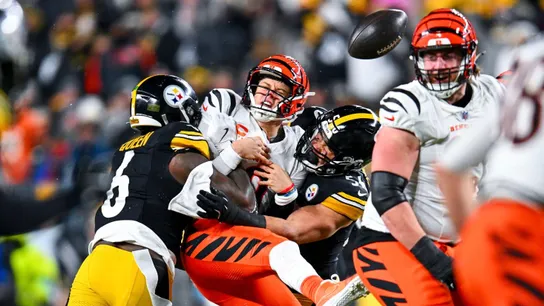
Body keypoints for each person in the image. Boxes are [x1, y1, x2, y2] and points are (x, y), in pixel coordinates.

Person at [180, 57, 367, 306]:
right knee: (280, 249)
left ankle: (320, 290)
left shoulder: (296, 147)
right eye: (264, 87)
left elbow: (282, 223)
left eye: (279, 92)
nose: (268, 96)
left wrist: (287, 194)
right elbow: (187, 170)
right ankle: (319, 289)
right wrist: (233, 153)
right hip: (204, 232)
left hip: (251, 249)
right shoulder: (225, 105)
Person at [352, 8, 504, 305]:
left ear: (469, 56)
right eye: (429, 57)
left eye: (448, 55)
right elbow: (385, 195)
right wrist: (438, 264)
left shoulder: (493, 94)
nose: (437, 65)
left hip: (458, 242)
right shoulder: (410, 104)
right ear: (417, 60)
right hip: (393, 242)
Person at [67, 74, 257, 306]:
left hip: (94, 265)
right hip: (138, 264)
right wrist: (228, 149)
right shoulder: (178, 149)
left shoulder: (125, 152)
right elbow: (245, 202)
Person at [196, 105, 379, 305]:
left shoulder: (351, 191)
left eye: (329, 148)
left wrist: (234, 214)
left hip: (301, 290)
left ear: (348, 161)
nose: (316, 145)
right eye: (320, 135)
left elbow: (291, 231)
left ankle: (322, 291)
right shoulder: (308, 120)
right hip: (260, 266)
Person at [435, 35, 544, 306]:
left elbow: (449, 168)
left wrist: (473, 242)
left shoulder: (529, 55)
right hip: (523, 236)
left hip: (486, 234)